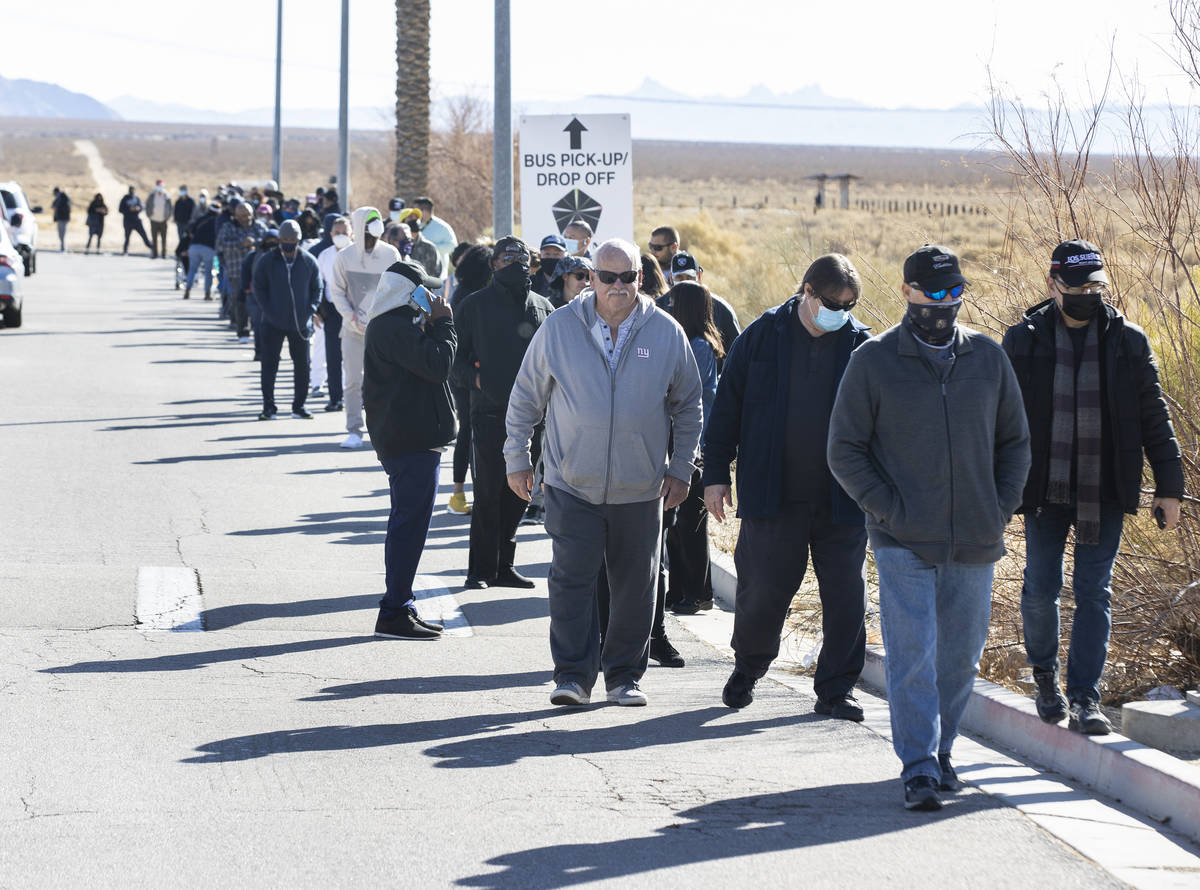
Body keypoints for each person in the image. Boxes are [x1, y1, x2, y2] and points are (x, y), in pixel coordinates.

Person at [828, 244, 1031, 812]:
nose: (945, 304)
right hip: (901, 540)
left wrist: (999, 507)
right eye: (933, 294)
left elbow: (1015, 442)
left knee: (959, 659)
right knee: (912, 653)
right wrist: (886, 509)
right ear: (906, 293)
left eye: (954, 293)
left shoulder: (988, 359)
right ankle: (917, 765)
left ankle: (943, 753)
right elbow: (843, 449)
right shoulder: (872, 361)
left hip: (976, 537)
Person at [504, 238, 703, 707]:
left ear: (641, 278)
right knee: (571, 580)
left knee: (637, 588)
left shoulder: (666, 332)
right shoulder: (559, 328)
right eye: (607, 277)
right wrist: (517, 457)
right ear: (590, 277)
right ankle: (572, 676)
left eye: (628, 277)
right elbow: (525, 398)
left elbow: (689, 406)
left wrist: (681, 467)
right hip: (572, 482)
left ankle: (624, 677)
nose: (618, 287)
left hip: (641, 488)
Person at [1001, 239, 1184, 735]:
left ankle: (1085, 698)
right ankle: (1045, 679)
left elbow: (1154, 417)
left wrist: (1170, 486)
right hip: (1042, 489)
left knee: (1093, 593)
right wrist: (995, 489)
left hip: (1103, 488)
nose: (1088, 293)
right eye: (1078, 286)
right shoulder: (1022, 340)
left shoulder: (1129, 341)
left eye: (1096, 285)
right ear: (1052, 285)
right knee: (1040, 589)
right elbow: (998, 419)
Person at [704, 254, 872, 721]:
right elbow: (726, 409)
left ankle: (837, 688)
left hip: (843, 499)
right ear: (807, 292)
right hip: (774, 495)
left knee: (846, 597)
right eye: (833, 302)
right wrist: (715, 473)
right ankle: (749, 667)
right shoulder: (761, 337)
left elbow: (884, 419)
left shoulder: (862, 345)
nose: (841, 312)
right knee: (762, 592)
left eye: (850, 304)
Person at [453, 238, 554, 589]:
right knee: (488, 495)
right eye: (508, 257)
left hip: (535, 419)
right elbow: (455, 360)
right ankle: (479, 570)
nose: (515, 262)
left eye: (522, 257)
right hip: (489, 414)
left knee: (520, 492)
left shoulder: (543, 308)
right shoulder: (473, 306)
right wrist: (477, 379)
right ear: (494, 263)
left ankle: (502, 566)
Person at [365, 258, 456, 640]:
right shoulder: (394, 326)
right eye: (425, 290)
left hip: (409, 437)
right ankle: (394, 610)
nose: (432, 296)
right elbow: (438, 366)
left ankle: (401, 604)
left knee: (409, 525)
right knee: (408, 526)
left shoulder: (397, 324)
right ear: (408, 292)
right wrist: (445, 323)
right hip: (409, 440)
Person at [329, 207, 401, 448]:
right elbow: (337, 291)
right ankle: (354, 430)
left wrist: (386, 321)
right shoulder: (345, 257)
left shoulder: (391, 254)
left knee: (386, 380)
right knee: (352, 381)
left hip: (382, 333)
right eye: (369, 223)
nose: (374, 229)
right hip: (352, 331)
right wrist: (351, 318)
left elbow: (398, 290)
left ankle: (385, 427)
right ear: (359, 227)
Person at [252, 219, 322, 420]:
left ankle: (299, 406)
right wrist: (268, 311)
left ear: (298, 240)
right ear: (279, 240)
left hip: (301, 324)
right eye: (285, 239)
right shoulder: (267, 261)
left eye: (292, 239)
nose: (288, 242)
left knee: (302, 365)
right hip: (272, 323)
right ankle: (268, 407)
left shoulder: (309, 261)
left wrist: (310, 310)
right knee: (269, 365)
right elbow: (259, 287)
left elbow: (318, 288)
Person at [445, 243, 493, 515]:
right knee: (473, 431)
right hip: (470, 373)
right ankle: (470, 493)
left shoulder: (461, 293)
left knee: (466, 429)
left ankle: (458, 493)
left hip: (458, 371)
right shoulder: (475, 298)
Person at [665, 252, 741, 357]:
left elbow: (737, 353)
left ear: (699, 275)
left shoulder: (720, 309)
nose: (685, 282)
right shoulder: (660, 307)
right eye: (679, 277)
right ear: (671, 278)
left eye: (689, 277)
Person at [313, 214, 350, 412]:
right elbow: (318, 284)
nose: (341, 236)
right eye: (337, 233)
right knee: (333, 356)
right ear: (330, 234)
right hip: (332, 310)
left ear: (352, 234)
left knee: (356, 357)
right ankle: (336, 398)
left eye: (345, 232)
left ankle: (360, 396)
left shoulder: (359, 254)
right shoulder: (325, 255)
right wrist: (317, 310)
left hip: (355, 309)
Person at [216, 201, 266, 343]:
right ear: (236, 215)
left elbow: (268, 242)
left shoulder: (259, 227)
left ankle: (259, 330)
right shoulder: (228, 227)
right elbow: (220, 245)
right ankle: (242, 330)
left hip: (258, 271)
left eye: (248, 214)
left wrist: (254, 243)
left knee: (260, 301)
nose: (245, 217)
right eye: (242, 215)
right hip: (236, 270)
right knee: (240, 300)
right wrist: (241, 243)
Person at [184, 200, 220, 301]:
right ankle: (207, 293)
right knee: (208, 272)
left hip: (194, 247)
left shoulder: (201, 219)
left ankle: (188, 289)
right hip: (208, 249)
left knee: (192, 270)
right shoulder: (218, 221)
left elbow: (189, 231)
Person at [412, 196, 456, 268]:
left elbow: (452, 246)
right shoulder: (415, 225)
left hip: (437, 272)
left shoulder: (442, 227)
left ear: (424, 211)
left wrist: (430, 248)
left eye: (417, 211)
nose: (414, 214)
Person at [119, 186, 153, 255]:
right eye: (131, 190)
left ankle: (153, 248)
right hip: (127, 221)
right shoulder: (125, 198)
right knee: (127, 237)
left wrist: (138, 208)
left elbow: (142, 207)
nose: (132, 191)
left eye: (133, 190)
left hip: (136, 220)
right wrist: (129, 209)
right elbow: (120, 209)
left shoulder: (136, 198)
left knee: (144, 236)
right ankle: (125, 251)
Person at [146, 180, 173, 259]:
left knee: (164, 238)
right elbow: (147, 205)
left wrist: (167, 217)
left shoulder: (166, 195)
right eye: (158, 186)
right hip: (154, 220)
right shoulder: (152, 195)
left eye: (160, 186)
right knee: (154, 238)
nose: (159, 187)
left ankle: (164, 254)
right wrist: (149, 215)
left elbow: (170, 207)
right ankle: (155, 254)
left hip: (163, 220)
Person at [51, 187, 71, 251]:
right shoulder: (59, 198)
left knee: (62, 234)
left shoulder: (63, 198)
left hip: (63, 218)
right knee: (61, 234)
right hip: (61, 218)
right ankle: (62, 247)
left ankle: (63, 248)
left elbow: (61, 207)